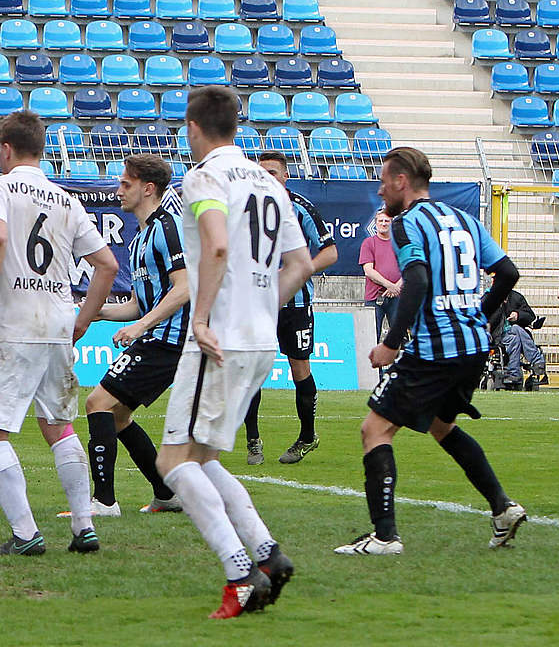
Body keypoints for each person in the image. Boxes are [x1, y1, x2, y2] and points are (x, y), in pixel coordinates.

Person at [155, 86, 312, 619]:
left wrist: (200, 318)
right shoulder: (269, 181)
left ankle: (238, 571)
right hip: (260, 337)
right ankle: (269, 555)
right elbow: (301, 263)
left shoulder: (204, 176)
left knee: (171, 460)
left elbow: (217, 245)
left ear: (194, 127)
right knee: (203, 457)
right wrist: (264, 307)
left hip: (217, 338)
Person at [335, 147, 526, 556]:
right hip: (472, 346)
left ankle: (385, 537)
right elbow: (508, 273)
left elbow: (418, 280)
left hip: (434, 348)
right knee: (442, 427)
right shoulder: (466, 220)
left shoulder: (407, 224)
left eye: (385, 180)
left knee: (375, 430)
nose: (381, 187)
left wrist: (390, 343)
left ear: (402, 181)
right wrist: (477, 313)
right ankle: (502, 508)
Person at [0, 110, 119, 557]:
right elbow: (107, 266)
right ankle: (83, 525)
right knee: (59, 424)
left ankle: (25, 533)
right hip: (58, 320)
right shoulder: (67, 199)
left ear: (5, 148)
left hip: (16, 322)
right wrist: (83, 319)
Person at [72, 154, 186, 518]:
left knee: (97, 403)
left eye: (126, 183)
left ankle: (104, 502)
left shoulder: (169, 227)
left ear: (147, 188)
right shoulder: (141, 237)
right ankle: (166, 494)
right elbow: (139, 304)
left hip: (170, 339)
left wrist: (142, 326)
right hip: (157, 334)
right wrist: (95, 312)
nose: (118, 189)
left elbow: (184, 287)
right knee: (117, 416)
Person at [242, 152, 338, 466]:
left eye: (272, 172)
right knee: (252, 370)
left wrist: (296, 271)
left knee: (300, 368)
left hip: (295, 305)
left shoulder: (300, 208)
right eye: (260, 173)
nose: (265, 178)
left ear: (285, 176)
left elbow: (331, 252)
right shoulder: (246, 211)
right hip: (256, 303)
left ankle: (307, 437)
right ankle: (253, 440)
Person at [490, 290, 547, 391]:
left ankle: (515, 373)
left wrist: (518, 315)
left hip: (516, 335)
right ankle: (537, 361)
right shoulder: (490, 298)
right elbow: (489, 320)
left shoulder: (516, 297)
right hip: (499, 335)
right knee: (515, 333)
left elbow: (530, 316)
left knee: (515, 333)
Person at [360, 211, 402, 341]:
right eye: (380, 221)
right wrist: (389, 285)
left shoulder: (400, 244)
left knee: (400, 337)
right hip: (374, 298)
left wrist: (397, 287)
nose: (383, 224)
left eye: (387, 221)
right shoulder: (368, 243)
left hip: (398, 297)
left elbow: (409, 268)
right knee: (370, 337)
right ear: (375, 223)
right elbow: (368, 271)